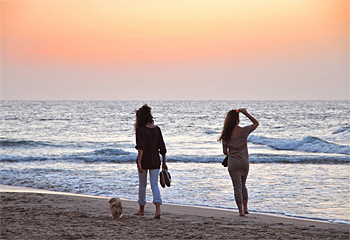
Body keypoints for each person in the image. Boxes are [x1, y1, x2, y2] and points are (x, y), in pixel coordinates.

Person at [219, 108, 259, 216]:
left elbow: (225, 152)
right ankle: (246, 209)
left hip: (233, 163)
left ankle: (240, 211)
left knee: (237, 187)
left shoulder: (226, 135)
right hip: (244, 163)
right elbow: (256, 123)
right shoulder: (244, 131)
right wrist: (246, 113)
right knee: (243, 185)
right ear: (237, 119)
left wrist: (232, 154)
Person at [134, 104, 167, 219]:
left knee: (142, 185)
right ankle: (158, 209)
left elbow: (141, 148)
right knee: (154, 185)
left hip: (144, 161)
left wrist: (139, 162)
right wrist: (164, 162)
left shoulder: (140, 130)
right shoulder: (157, 129)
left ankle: (141, 210)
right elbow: (162, 148)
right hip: (155, 161)